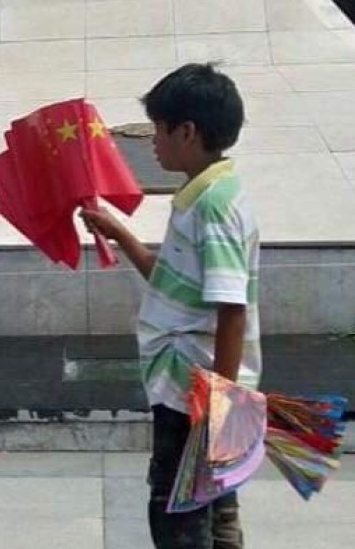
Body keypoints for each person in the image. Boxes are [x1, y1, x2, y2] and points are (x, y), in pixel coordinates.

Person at [81, 63, 258, 549]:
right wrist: (121, 234)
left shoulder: (213, 207)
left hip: (196, 392)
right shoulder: (206, 195)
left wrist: (218, 404)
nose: (151, 141)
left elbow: (231, 307)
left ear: (187, 131)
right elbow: (174, 281)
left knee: (176, 508)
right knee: (217, 506)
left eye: (158, 130)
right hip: (197, 387)